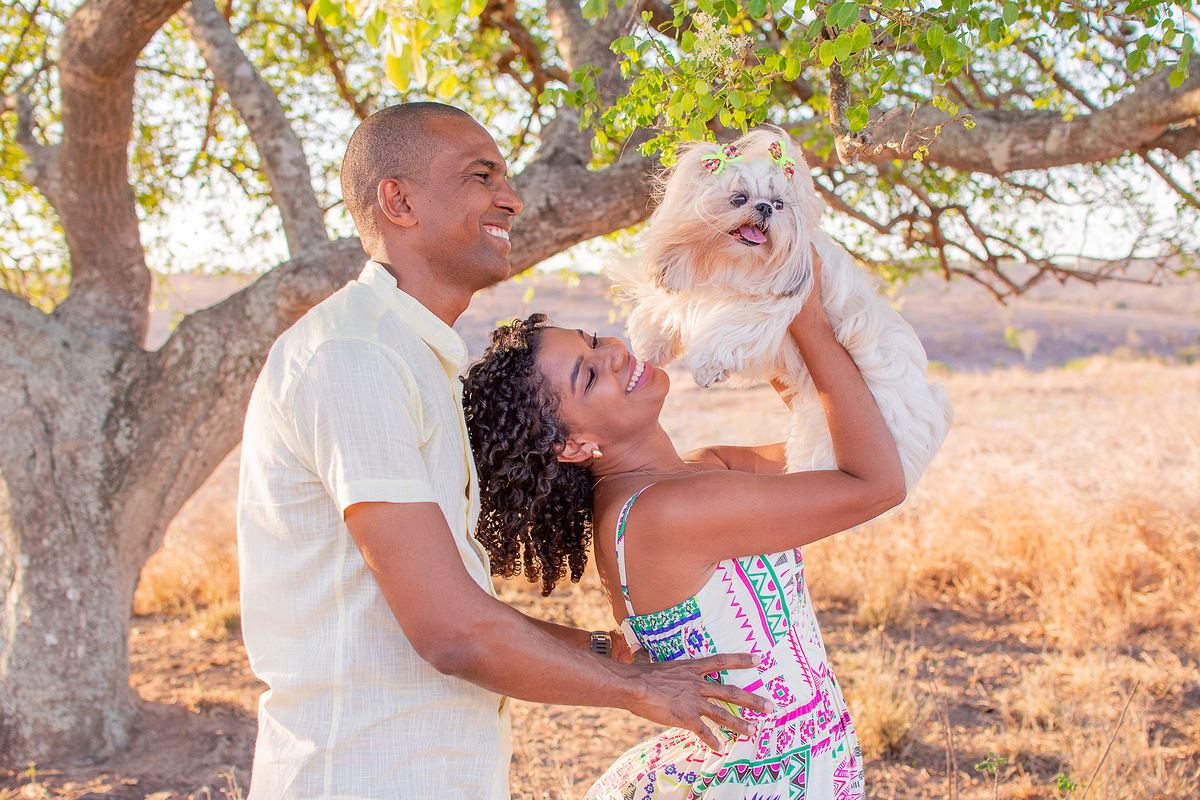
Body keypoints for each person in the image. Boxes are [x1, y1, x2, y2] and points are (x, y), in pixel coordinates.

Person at [237, 102, 770, 800]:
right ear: (399, 202)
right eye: (480, 176)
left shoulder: (413, 357)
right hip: (363, 777)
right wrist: (638, 690)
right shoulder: (353, 355)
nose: (511, 199)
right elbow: (451, 632)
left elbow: (456, 602)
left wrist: (609, 651)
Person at [461, 253, 906, 799]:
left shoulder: (690, 478)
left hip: (779, 765)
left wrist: (758, 306)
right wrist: (802, 315)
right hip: (762, 779)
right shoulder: (669, 512)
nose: (614, 353)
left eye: (593, 341)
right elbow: (876, 482)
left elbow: (830, 446)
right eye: (590, 376)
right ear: (573, 446)